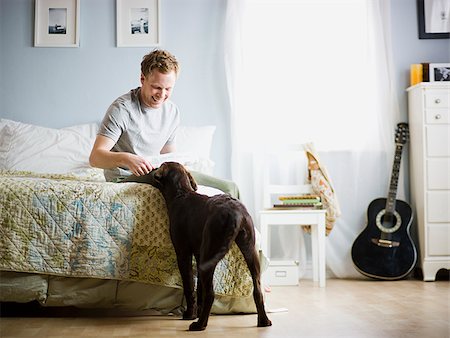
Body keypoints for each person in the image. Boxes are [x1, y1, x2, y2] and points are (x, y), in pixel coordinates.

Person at [89, 49, 180, 182]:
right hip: (123, 179)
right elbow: (95, 158)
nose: (161, 95)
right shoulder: (122, 109)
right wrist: (126, 159)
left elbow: (168, 155)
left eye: (168, 89)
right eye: (157, 87)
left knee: (192, 178)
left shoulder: (172, 111)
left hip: (152, 175)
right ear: (142, 79)